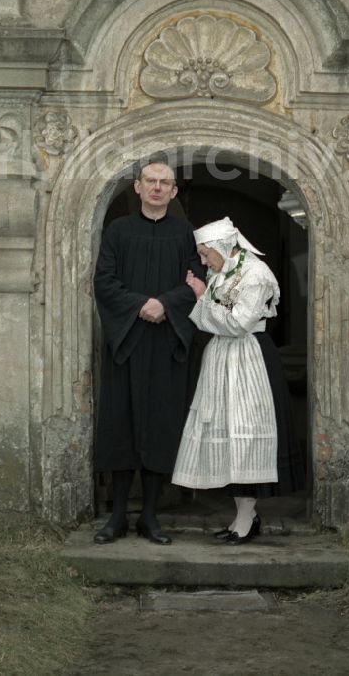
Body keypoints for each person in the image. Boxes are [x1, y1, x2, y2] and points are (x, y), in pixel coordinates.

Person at [92, 157, 204, 545]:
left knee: (160, 426)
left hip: (167, 347)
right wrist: (142, 305)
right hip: (127, 344)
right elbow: (104, 282)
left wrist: (166, 305)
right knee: (121, 426)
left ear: (173, 192)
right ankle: (119, 516)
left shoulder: (188, 235)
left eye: (164, 183)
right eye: (150, 181)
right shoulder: (118, 232)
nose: (156, 187)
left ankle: (151, 516)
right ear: (136, 187)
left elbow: (198, 282)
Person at [172, 217, 305, 543]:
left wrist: (204, 298)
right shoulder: (220, 271)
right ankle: (243, 517)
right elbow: (215, 320)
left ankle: (247, 518)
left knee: (245, 437)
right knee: (226, 437)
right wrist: (206, 297)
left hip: (249, 360)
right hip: (221, 359)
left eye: (205, 254)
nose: (203, 261)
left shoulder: (256, 275)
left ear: (222, 246)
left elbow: (239, 324)